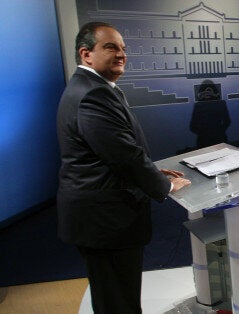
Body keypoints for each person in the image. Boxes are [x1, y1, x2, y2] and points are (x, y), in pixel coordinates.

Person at [56, 21, 191, 313]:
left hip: (101, 217)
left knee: (117, 296)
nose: (121, 54)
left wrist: (153, 171)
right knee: (118, 301)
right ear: (86, 54)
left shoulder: (93, 87)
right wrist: (164, 185)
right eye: (110, 47)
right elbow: (123, 155)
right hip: (105, 221)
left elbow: (111, 153)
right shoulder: (93, 94)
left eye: (123, 49)